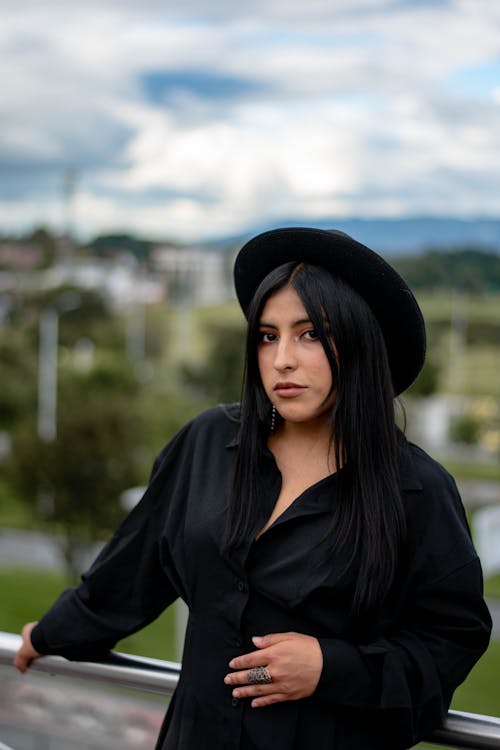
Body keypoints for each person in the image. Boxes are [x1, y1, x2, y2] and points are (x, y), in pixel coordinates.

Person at [15, 227, 491, 750]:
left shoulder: (417, 490)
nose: (282, 358)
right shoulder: (207, 443)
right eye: (268, 335)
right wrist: (48, 635)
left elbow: (451, 641)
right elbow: (128, 572)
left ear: (360, 345)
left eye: (309, 334)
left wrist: (330, 667)